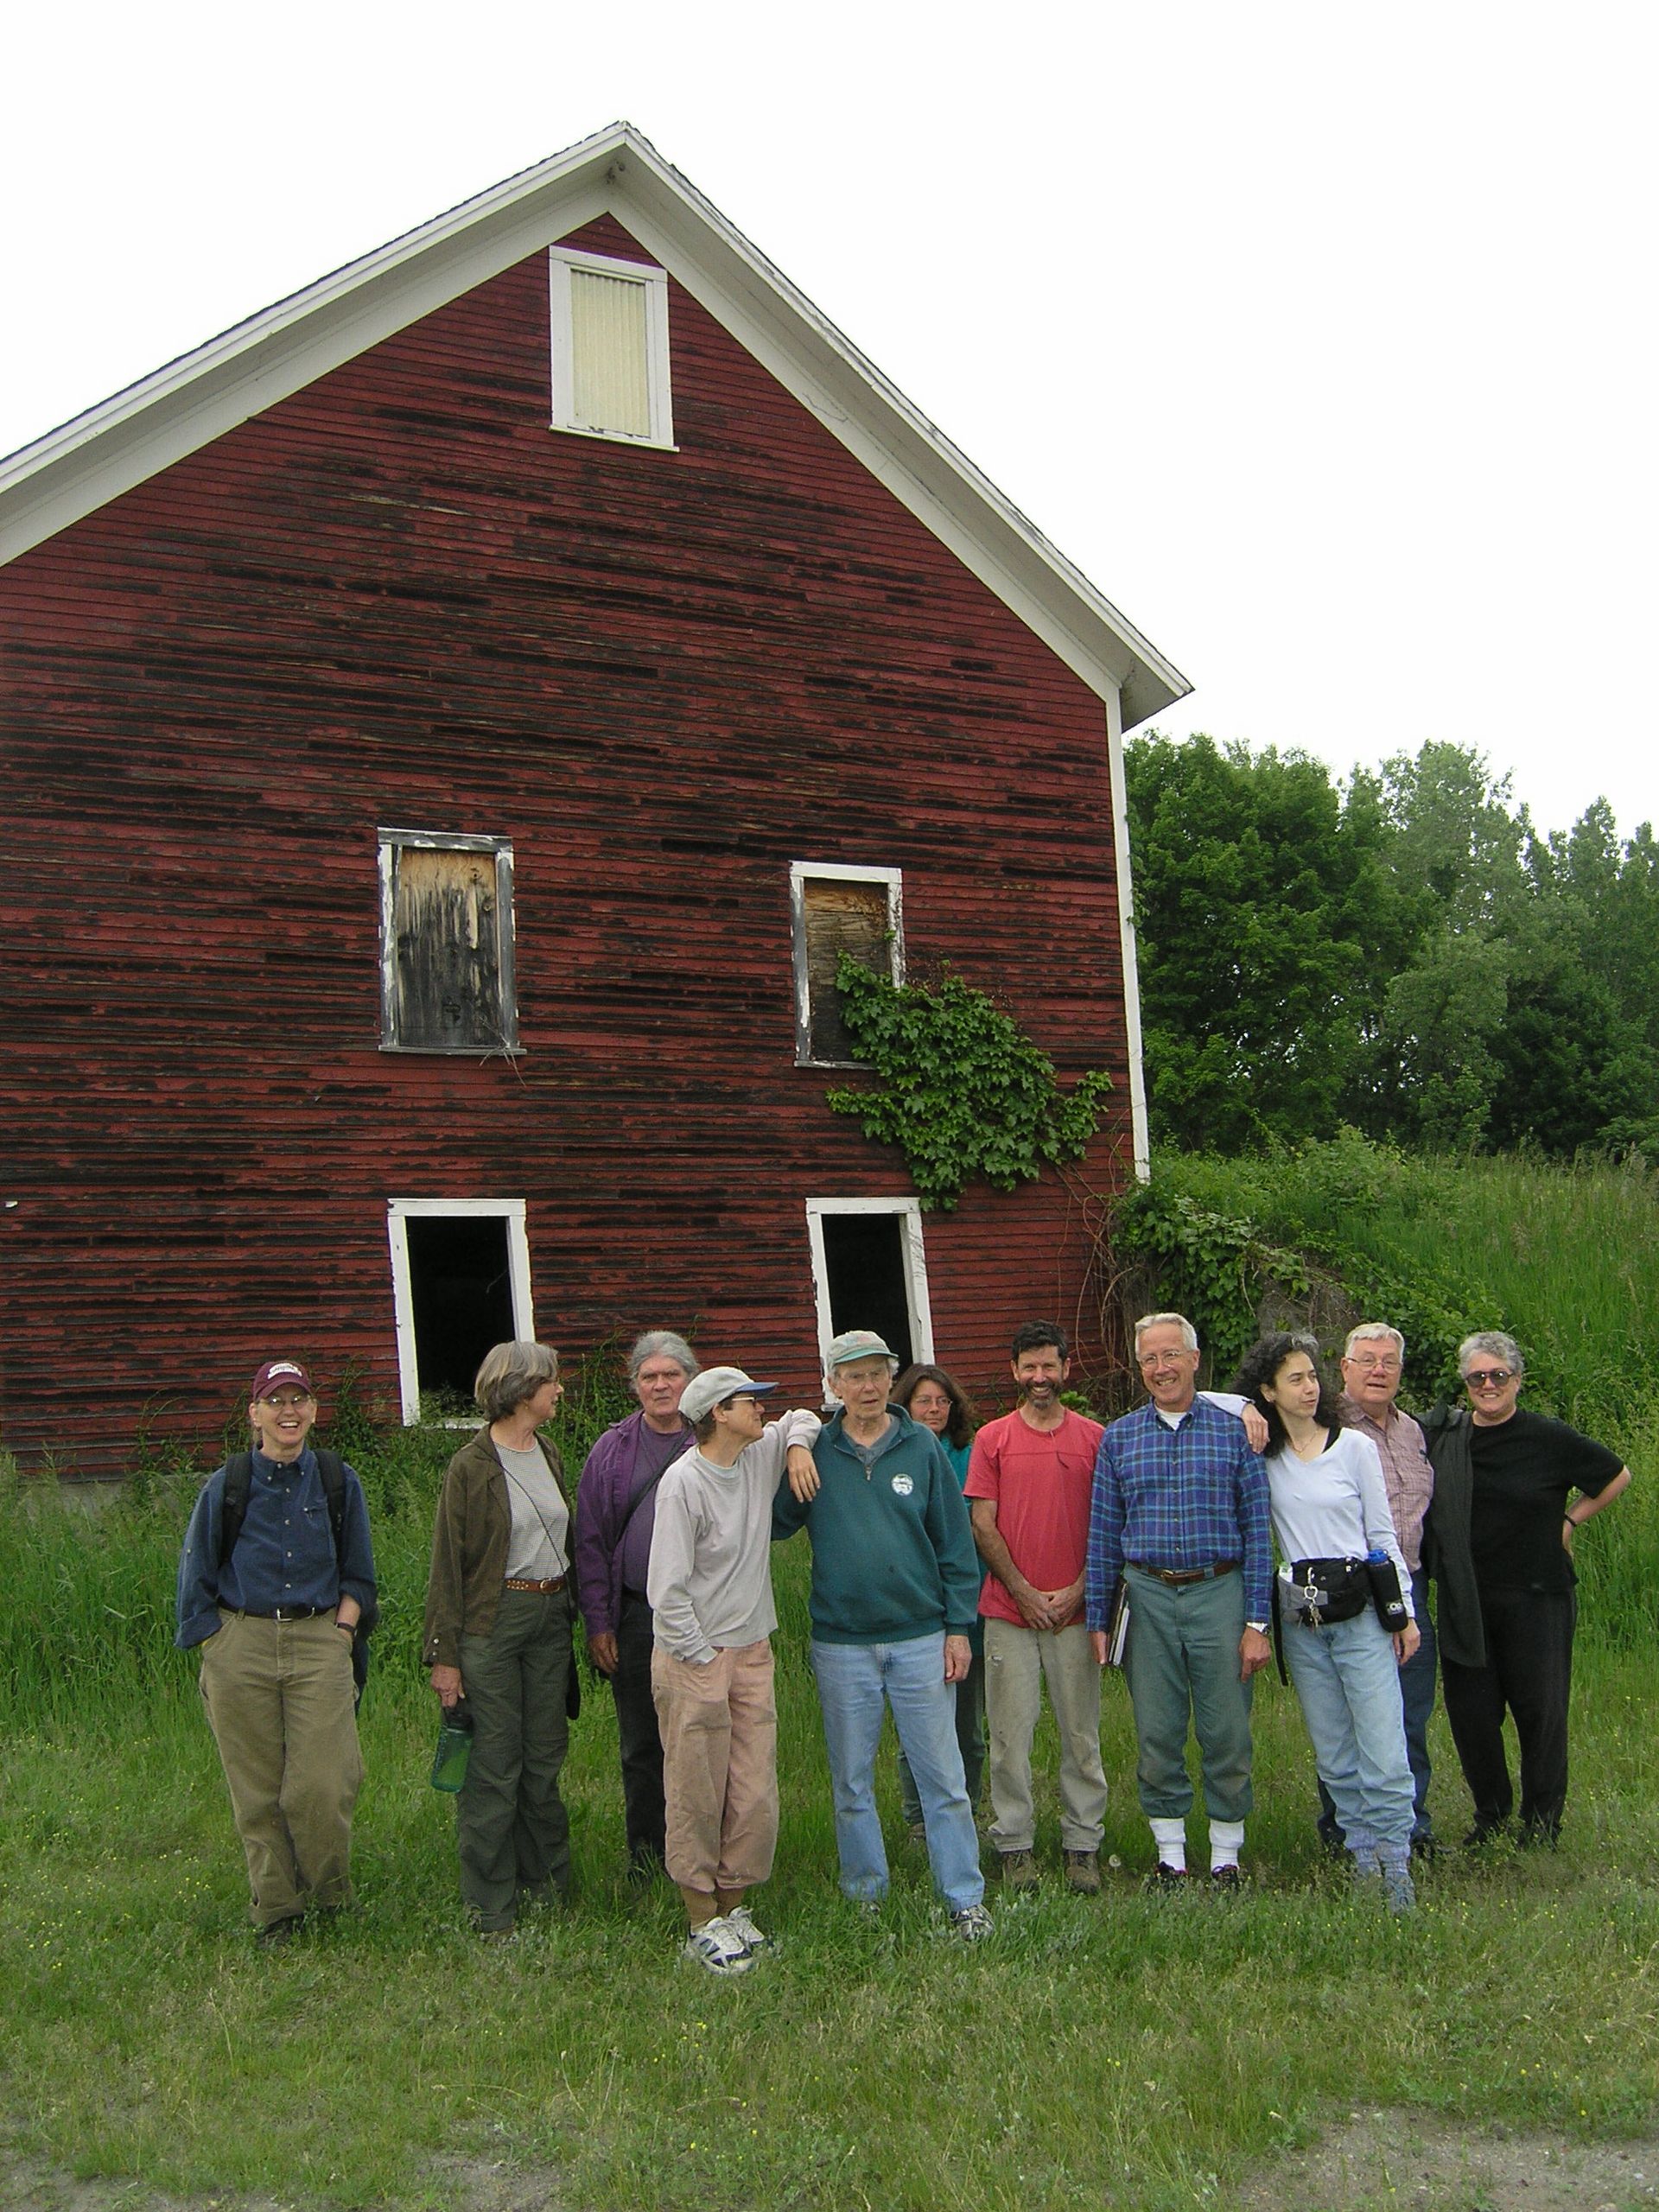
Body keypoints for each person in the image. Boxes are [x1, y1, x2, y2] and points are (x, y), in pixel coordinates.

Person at [772, 1329, 993, 1942]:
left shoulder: (920, 1447)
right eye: (853, 1376)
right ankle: (865, 1893)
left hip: (921, 1637)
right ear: (833, 1385)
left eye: (876, 1374)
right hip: (841, 1642)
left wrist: (957, 1629)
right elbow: (775, 1524)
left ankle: (964, 1898)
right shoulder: (816, 1449)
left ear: (888, 1379)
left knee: (943, 1776)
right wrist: (792, 1448)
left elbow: (955, 1545)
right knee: (851, 1779)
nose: (866, 1387)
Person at [175, 1358, 376, 1942]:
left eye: (299, 1401)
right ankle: (277, 1909)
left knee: (324, 1782)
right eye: (276, 1401)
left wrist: (341, 1633)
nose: (289, 1412)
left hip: (319, 1640)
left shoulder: (339, 1481)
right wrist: (216, 1638)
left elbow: (360, 1576)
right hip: (243, 1643)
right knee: (258, 1789)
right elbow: (196, 1572)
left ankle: (331, 1892)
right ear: (254, 1414)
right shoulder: (228, 1485)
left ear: (314, 1410)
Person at [1234, 1332, 1421, 1912]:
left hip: (1361, 1615)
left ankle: (1398, 1876)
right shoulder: (1265, 1459)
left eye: (1313, 1376)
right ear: (1270, 1391)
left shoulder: (1353, 1449)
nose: (1310, 1387)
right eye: (1294, 1378)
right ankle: (1362, 1861)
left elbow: (1381, 1537)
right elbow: (1204, 1398)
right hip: (1303, 1622)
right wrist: (1243, 1406)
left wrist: (1404, 1613)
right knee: (1335, 1755)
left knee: (1385, 1751)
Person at [1421, 1332, 1631, 1846]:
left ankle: (1542, 1825)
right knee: (1473, 1716)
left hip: (1539, 1599)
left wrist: (1570, 1522)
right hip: (1467, 1599)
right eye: (1478, 1377)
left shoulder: (1547, 1437)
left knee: (1541, 1714)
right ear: (1466, 1382)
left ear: (1517, 1380)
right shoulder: (1446, 1437)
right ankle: (1490, 1816)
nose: (1488, 1385)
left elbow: (1615, 1475)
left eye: (1499, 1376)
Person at [1086, 1312, 1272, 1890]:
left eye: (1172, 1356)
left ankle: (1226, 1855)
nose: (1161, 1368)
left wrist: (1257, 1622)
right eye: (1150, 1359)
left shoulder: (1234, 1431)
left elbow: (1259, 1529)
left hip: (1219, 1590)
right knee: (1158, 1731)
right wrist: (1098, 1617)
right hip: (1146, 1595)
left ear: (1195, 1359)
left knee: (1227, 1732)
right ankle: (1170, 1855)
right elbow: (1102, 1533)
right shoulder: (1119, 1437)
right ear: (1138, 1365)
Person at [647, 1365, 821, 1975]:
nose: (763, 1411)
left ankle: (735, 1905)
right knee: (697, 1788)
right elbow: (665, 1592)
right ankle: (701, 1921)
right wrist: (698, 1655)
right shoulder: (683, 1485)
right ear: (718, 1412)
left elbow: (805, 1417)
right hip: (693, 1655)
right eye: (751, 1402)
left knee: (752, 1789)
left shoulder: (759, 1454)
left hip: (753, 1651)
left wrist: (796, 1447)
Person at [424, 1340, 576, 1937]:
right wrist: (445, 1658)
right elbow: (447, 1565)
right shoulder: (471, 1466)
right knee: (494, 1764)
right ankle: (492, 1905)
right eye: (551, 1382)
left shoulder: (550, 1453)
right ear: (519, 1390)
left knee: (543, 1757)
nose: (560, 1391)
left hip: (549, 1616)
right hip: (493, 1621)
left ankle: (548, 1887)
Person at [964, 1322, 1108, 1894]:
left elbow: (1110, 1523)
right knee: (1009, 1736)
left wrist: (1077, 1589)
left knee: (1081, 1736)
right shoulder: (992, 1439)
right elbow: (982, 1521)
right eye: (1030, 1367)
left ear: (1067, 1369)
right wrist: (1022, 1591)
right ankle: (1014, 1844)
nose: (1040, 1377)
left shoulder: (1096, 1438)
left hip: (1076, 1612)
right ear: (1015, 1371)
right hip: (1008, 1613)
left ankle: (1082, 1846)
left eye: (1050, 1366)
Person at [574, 1330, 699, 1878]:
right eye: (649, 1376)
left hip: (701, 1615)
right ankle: (647, 1857)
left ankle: (699, 1854)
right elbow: (591, 1541)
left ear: (689, 1379)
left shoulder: (711, 1437)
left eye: (671, 1374)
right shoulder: (611, 1449)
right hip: (635, 1616)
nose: (661, 1384)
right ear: (636, 1386)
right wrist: (598, 1622)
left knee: (697, 1740)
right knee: (642, 1745)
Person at [1332, 1323, 1439, 1853]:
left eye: (1389, 1362)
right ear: (1344, 1368)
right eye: (1367, 1360)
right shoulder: (1320, 1425)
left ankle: (1409, 1827)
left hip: (1409, 1585)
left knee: (1410, 1712)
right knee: (1351, 1717)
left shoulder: (1412, 1431)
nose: (1379, 1370)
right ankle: (1346, 1832)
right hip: (1351, 1592)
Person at [892, 1361, 986, 1841]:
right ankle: (918, 1816)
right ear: (905, 1404)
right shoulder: (897, 1452)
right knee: (920, 1719)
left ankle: (968, 1806)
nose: (933, 1409)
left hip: (968, 1604)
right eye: (923, 1400)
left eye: (942, 1401)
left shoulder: (970, 1454)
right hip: (914, 1605)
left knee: (967, 1718)